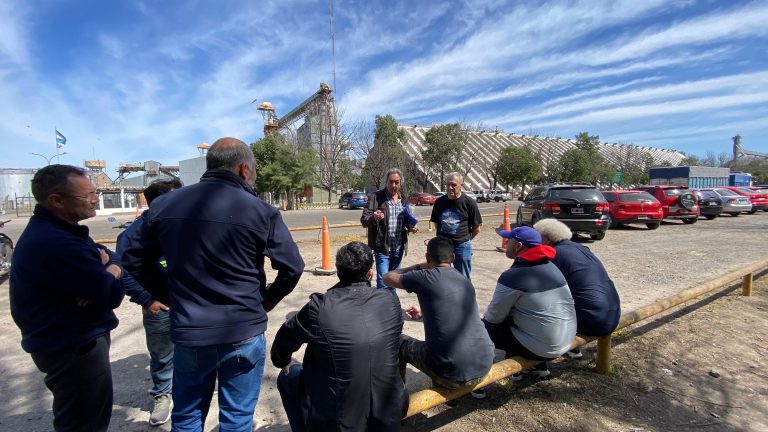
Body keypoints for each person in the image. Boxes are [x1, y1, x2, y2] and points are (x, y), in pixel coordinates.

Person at [121, 137, 305, 431]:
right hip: (243, 330)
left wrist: (166, 291)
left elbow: (128, 255)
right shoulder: (260, 210)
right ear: (244, 169)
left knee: (187, 416)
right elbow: (293, 267)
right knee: (236, 419)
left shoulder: (165, 205)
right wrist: (267, 301)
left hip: (190, 332)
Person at [9, 164, 124, 431]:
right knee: (84, 422)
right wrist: (111, 272)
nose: (96, 199)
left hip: (71, 340)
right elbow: (111, 294)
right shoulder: (56, 242)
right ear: (57, 200)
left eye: (96, 192)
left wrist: (107, 268)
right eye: (87, 195)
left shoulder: (62, 231)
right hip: (73, 347)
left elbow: (108, 255)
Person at [271, 242, 408, 431]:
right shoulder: (390, 301)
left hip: (338, 421)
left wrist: (288, 362)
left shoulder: (319, 307)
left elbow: (279, 351)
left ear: (338, 271)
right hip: (389, 410)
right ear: (370, 273)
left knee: (287, 377)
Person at [383, 236, 494, 393]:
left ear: (428, 257)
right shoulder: (464, 280)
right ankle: (449, 390)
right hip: (484, 363)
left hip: (453, 374)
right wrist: (424, 312)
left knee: (400, 343)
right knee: (446, 348)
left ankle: (397, 400)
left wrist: (418, 267)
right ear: (453, 257)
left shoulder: (425, 277)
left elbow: (387, 278)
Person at [116, 178, 182, 426]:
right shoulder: (137, 232)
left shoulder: (186, 226)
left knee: (196, 350)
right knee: (162, 354)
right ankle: (163, 394)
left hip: (191, 304)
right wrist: (145, 299)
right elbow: (121, 268)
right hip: (161, 306)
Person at [482, 226, 576, 380]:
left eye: (509, 239)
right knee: (522, 315)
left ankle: (481, 376)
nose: (505, 243)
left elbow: (494, 317)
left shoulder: (513, 276)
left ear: (518, 246)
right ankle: (538, 367)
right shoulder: (551, 267)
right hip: (567, 339)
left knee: (484, 327)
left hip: (546, 348)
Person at [534, 219, 621, 358]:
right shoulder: (580, 248)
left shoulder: (554, 254)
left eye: (537, 238)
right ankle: (573, 350)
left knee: (536, 304)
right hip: (612, 313)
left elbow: (543, 291)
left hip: (593, 321)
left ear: (548, 239)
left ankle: (538, 361)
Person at [361, 168, 418, 291]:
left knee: (393, 281)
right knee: (383, 281)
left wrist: (411, 227)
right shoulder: (376, 197)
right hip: (382, 247)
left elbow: (407, 220)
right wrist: (374, 217)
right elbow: (364, 220)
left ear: (400, 183)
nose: (393, 185)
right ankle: (384, 308)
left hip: (398, 248)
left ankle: (391, 307)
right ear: (386, 182)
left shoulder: (404, 199)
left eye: (396, 182)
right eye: (391, 182)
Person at [429, 172, 482, 278]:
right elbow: (436, 222)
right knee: (442, 276)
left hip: (461, 246)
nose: (450, 188)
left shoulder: (469, 203)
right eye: (448, 185)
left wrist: (466, 240)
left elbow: (477, 228)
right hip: (443, 246)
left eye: (453, 185)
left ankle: (465, 294)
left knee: (462, 277)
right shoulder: (439, 202)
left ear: (461, 186)